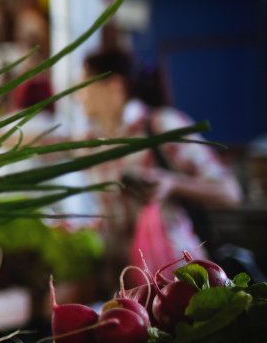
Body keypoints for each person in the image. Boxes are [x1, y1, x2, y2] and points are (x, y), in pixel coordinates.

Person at [77, 49, 241, 282]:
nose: (78, 96)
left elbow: (230, 192)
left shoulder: (161, 126)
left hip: (177, 279)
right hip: (123, 281)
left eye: (84, 86)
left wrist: (173, 184)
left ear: (113, 86)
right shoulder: (92, 142)